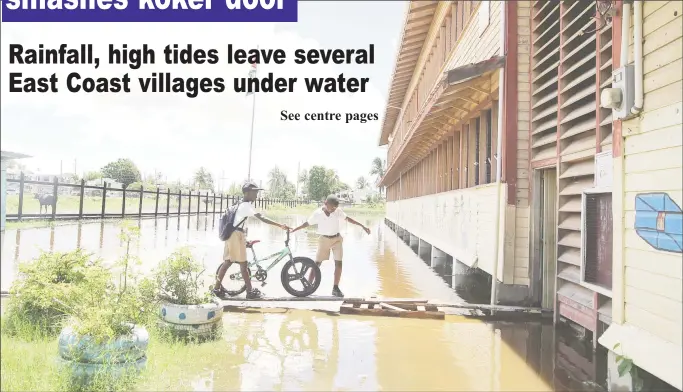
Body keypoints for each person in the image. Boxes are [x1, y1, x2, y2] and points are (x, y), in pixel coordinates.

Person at [214, 181, 290, 300]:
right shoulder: (246, 206)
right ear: (247, 193)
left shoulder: (241, 204)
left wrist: (245, 239)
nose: (256, 195)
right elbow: (262, 218)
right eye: (255, 192)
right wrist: (280, 225)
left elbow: (239, 223)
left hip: (235, 235)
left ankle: (218, 289)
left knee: (232, 263)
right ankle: (246, 291)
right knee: (234, 263)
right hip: (235, 235)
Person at [290, 195, 370, 298]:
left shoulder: (338, 211)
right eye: (331, 207)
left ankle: (335, 288)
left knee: (339, 264)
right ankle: (308, 287)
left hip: (337, 239)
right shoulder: (317, 213)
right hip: (324, 240)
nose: (333, 210)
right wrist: (295, 229)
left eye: (334, 208)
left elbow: (349, 219)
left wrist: (363, 226)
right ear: (325, 203)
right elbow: (307, 223)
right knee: (316, 264)